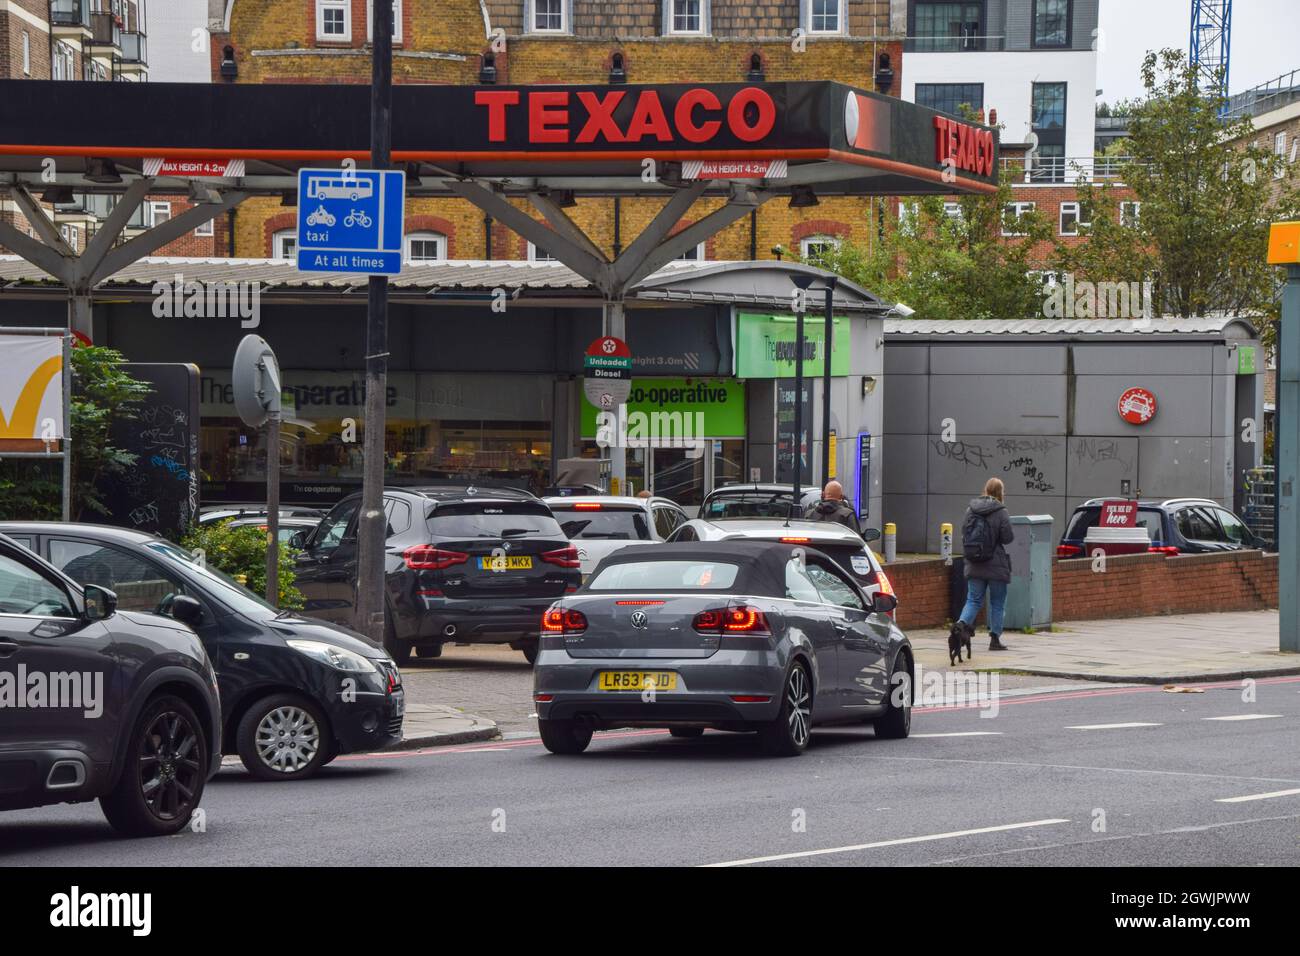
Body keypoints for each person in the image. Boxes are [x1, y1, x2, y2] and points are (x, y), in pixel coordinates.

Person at [955, 477, 1015, 652]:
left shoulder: (970, 510)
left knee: (973, 599)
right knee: (997, 602)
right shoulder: (1001, 511)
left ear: (985, 490)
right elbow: (1008, 538)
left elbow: (964, 533)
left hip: (974, 562)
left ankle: (961, 625)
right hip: (996, 564)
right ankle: (994, 639)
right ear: (1001, 492)